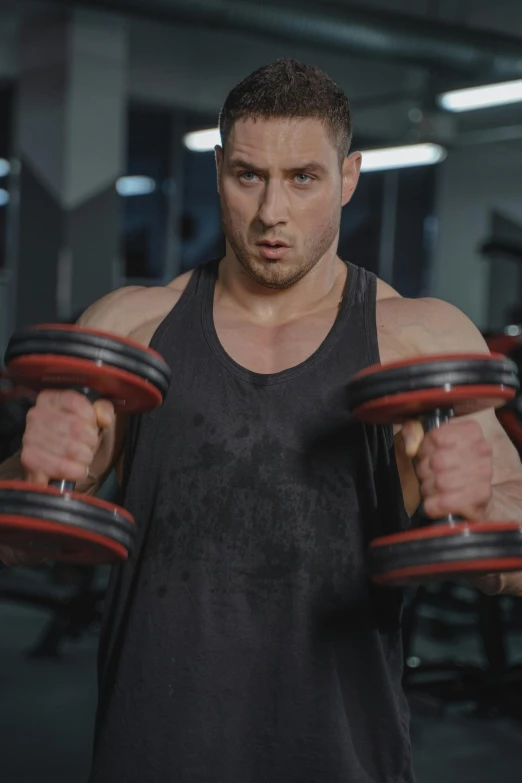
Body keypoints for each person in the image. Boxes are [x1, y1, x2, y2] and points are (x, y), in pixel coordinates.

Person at [1, 58, 522, 782]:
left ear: (349, 177)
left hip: (340, 757)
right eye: (249, 175)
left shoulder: (423, 339)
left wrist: (482, 509)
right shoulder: (131, 327)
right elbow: (27, 539)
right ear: (218, 169)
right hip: (149, 752)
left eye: (304, 178)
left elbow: (514, 542)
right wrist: (26, 478)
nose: (272, 211)